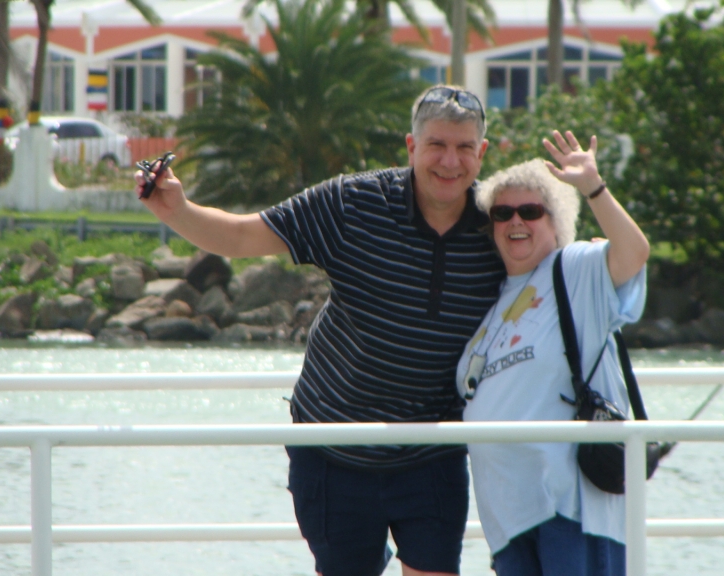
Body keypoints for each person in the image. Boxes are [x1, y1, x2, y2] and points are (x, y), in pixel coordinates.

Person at [136, 85, 506, 576]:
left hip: (430, 449)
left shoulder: (501, 224)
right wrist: (178, 211)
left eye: (463, 148)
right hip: (332, 446)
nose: (450, 161)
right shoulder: (353, 202)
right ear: (411, 147)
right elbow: (244, 234)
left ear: (481, 154)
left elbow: (564, 274)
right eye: (436, 145)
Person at [456, 130, 650, 575]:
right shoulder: (492, 307)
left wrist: (593, 188)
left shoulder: (576, 267)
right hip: (508, 517)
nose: (515, 222)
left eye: (530, 211)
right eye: (502, 213)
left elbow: (634, 253)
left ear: (556, 219)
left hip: (570, 507)